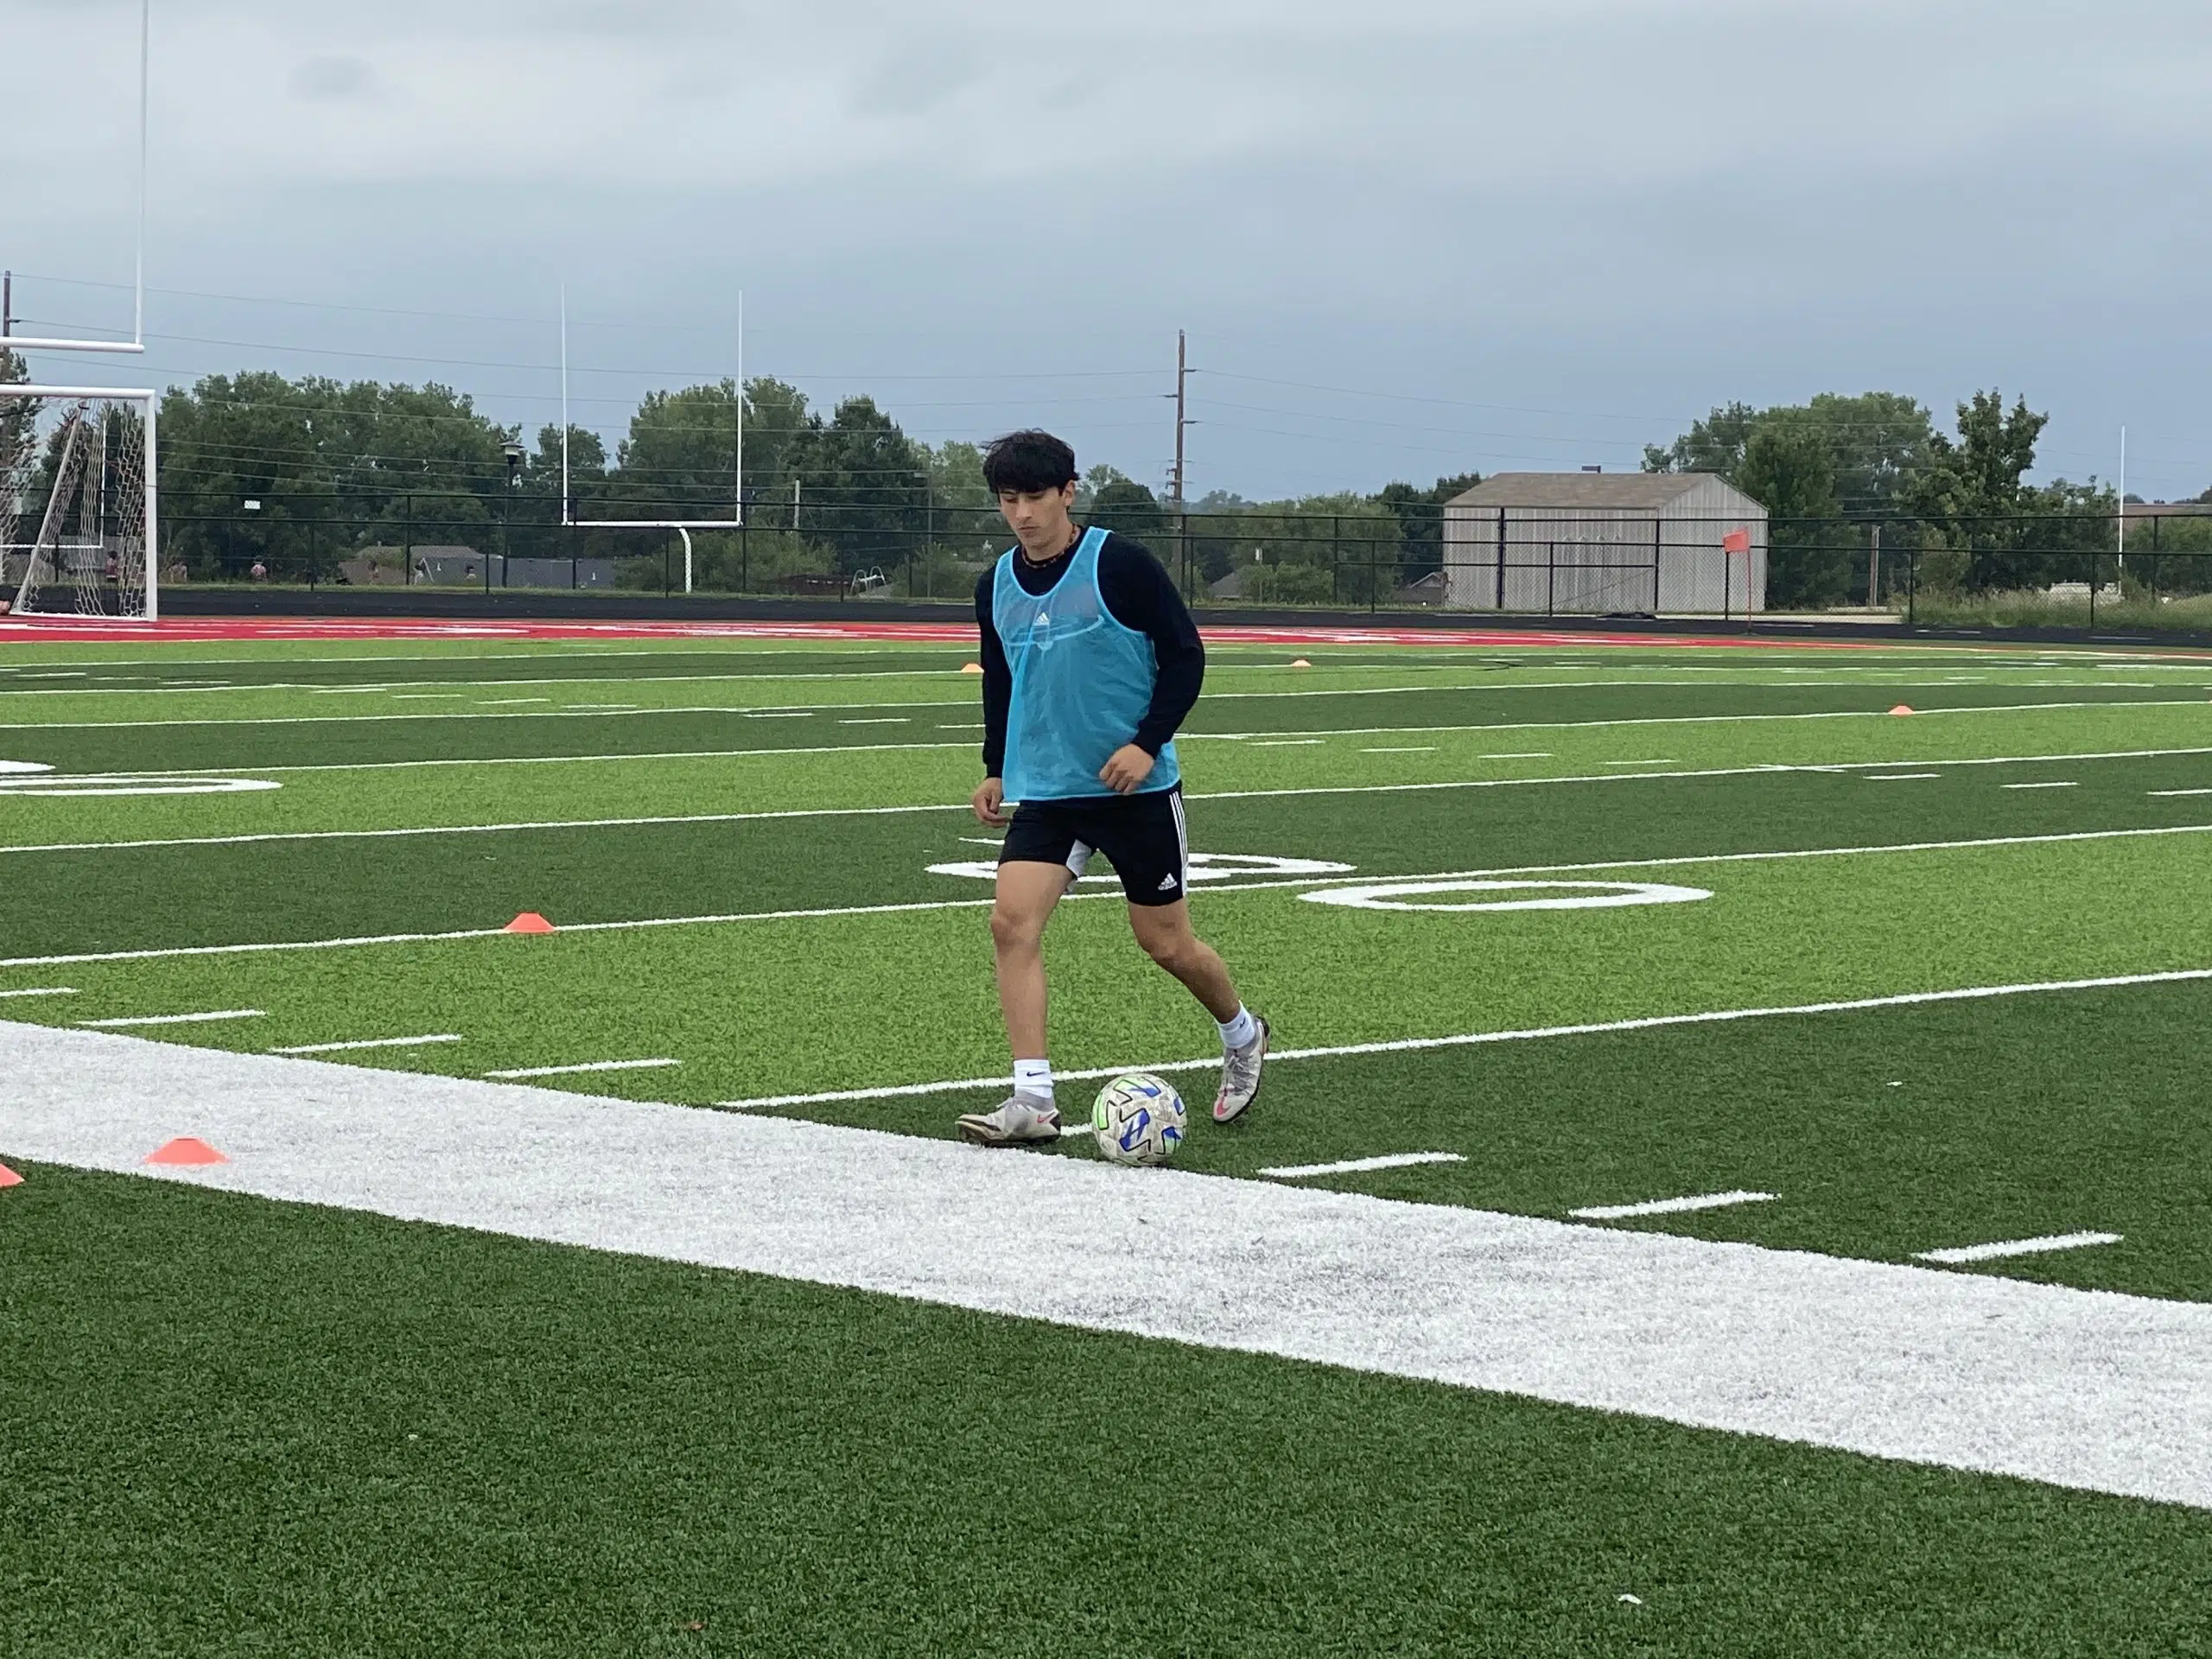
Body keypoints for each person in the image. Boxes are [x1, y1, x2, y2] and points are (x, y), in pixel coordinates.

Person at [957, 429, 1268, 1147]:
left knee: (1165, 944)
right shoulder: (994, 585)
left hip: (1136, 790)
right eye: (1009, 500)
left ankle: (1243, 1034)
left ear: (1068, 491)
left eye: (1035, 496)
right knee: (1010, 923)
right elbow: (1002, 680)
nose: (1023, 514)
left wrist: (1144, 744)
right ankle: (1033, 1101)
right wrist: (996, 764)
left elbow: (1186, 658)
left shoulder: (1120, 563)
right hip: (1052, 791)